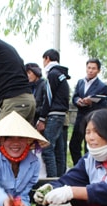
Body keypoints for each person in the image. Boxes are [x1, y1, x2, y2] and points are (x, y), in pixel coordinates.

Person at [37, 48, 70, 177]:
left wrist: (42, 118)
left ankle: (51, 181)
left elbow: (49, 97)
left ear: (47, 59)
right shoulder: (61, 74)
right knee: (59, 150)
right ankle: (61, 178)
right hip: (62, 115)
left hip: (53, 115)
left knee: (47, 148)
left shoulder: (52, 74)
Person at [70, 58, 107, 165]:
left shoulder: (103, 86)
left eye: (93, 68)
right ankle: (78, 166)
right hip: (80, 118)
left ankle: (90, 167)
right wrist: (77, 100)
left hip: (92, 119)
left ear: (98, 71)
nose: (90, 70)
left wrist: (91, 102)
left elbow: (103, 104)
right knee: (74, 144)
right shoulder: (80, 82)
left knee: (90, 146)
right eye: (89, 68)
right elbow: (74, 97)